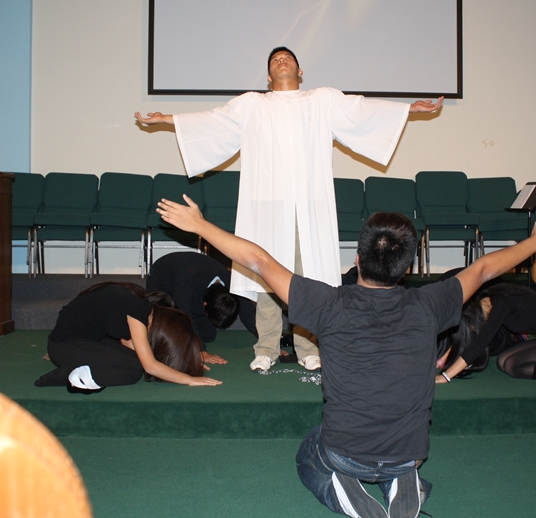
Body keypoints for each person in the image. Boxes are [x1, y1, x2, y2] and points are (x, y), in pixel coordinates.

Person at [155, 193, 536, 518]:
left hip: (345, 455)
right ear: (407, 268)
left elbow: (260, 261)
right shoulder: (430, 304)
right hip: (409, 455)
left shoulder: (328, 304)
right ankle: (404, 482)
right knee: (391, 455)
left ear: (356, 260)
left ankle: (349, 495)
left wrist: (200, 225)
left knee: (310, 450)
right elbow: (483, 270)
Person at [135, 46, 443, 373]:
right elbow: (214, 121)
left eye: (288, 59)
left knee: (306, 278)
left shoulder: (321, 101)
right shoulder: (252, 105)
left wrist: (409, 109)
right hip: (267, 207)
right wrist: (165, 119)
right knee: (266, 276)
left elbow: (362, 111)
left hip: (308, 207)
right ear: (268, 77)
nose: (281, 61)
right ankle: (266, 347)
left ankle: (308, 347)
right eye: (274, 60)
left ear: (300, 71)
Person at [34, 282, 221, 393]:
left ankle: (78, 369)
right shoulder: (137, 313)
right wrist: (189, 379)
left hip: (77, 341)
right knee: (134, 370)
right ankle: (70, 376)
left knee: (132, 359)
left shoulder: (137, 306)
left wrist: (186, 356)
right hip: (64, 346)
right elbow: (150, 365)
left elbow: (135, 347)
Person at [146, 251, 257, 365]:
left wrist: (265, 339)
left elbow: (249, 312)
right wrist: (201, 351)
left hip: (193, 278)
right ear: (205, 304)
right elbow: (186, 316)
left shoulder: (231, 281)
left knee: (208, 335)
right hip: (161, 279)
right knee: (168, 330)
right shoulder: (185, 284)